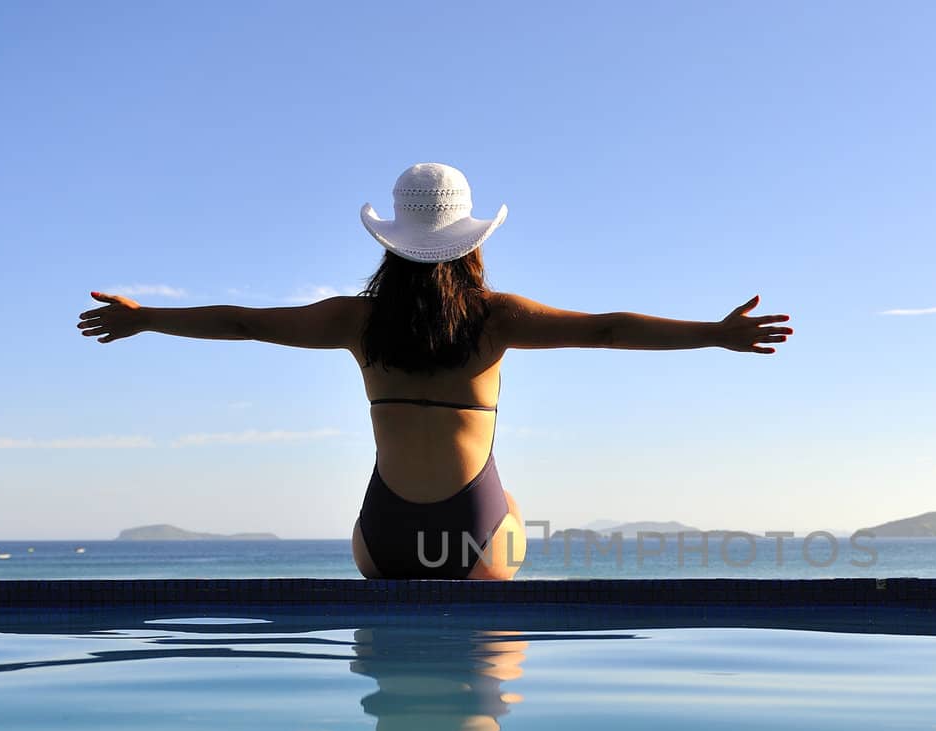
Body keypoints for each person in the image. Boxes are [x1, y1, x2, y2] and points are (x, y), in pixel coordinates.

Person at [77, 162, 792, 580]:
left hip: (381, 540)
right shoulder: (495, 317)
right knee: (487, 694)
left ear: (392, 242)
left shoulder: (357, 320)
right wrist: (716, 335)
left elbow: (244, 322)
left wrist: (145, 319)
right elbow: (606, 330)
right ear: (470, 241)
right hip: (472, 536)